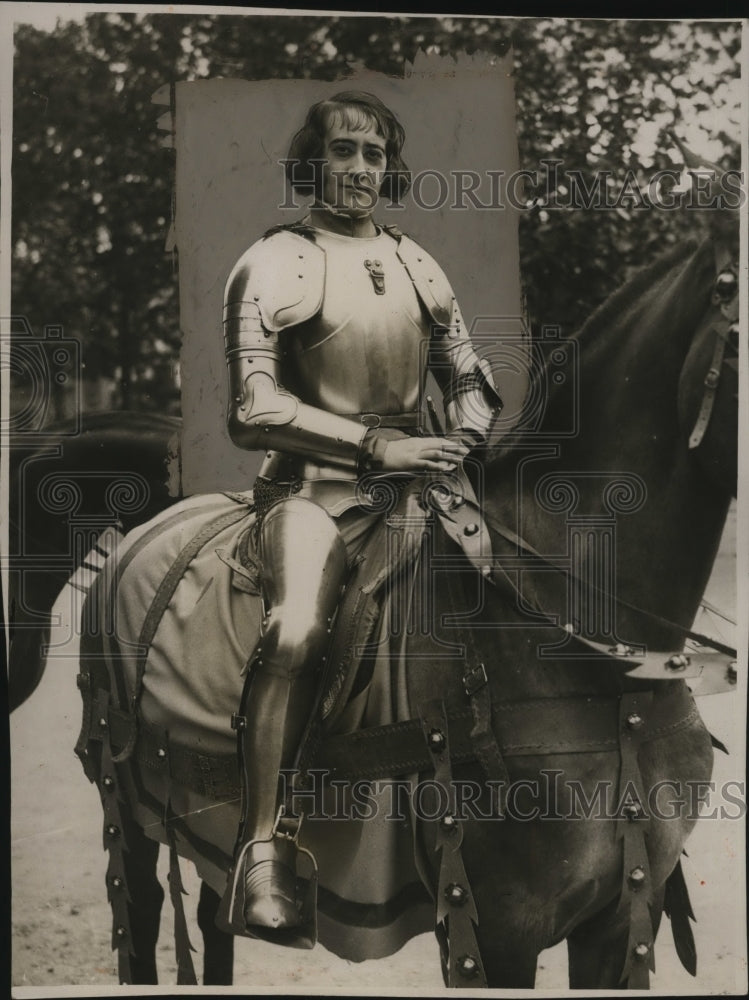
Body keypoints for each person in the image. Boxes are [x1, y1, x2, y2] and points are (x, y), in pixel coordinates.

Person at [221, 90, 502, 935]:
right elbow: (252, 408)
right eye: (342, 151)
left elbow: (471, 376)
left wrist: (463, 438)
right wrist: (380, 449)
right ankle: (263, 850)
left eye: (373, 153)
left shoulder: (417, 261)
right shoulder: (276, 260)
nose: (358, 169)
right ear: (313, 161)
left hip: (424, 485)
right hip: (313, 492)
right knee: (298, 631)